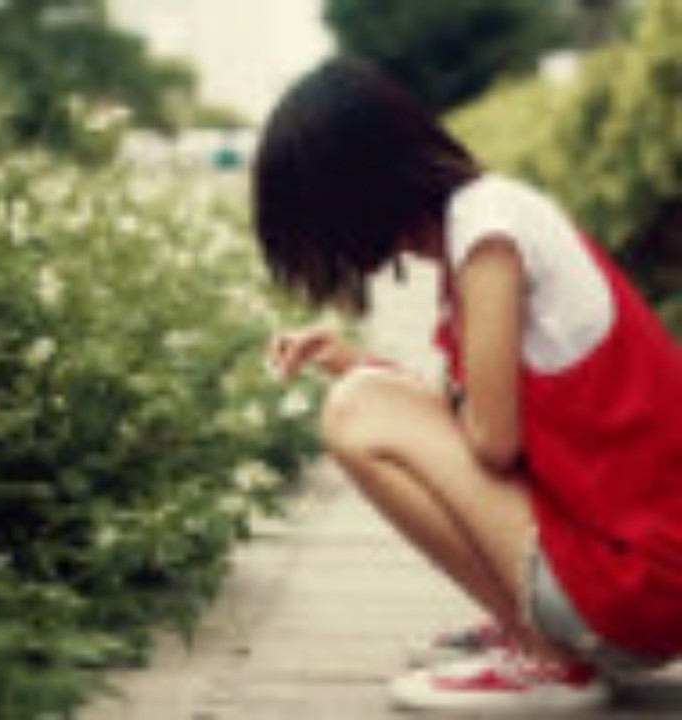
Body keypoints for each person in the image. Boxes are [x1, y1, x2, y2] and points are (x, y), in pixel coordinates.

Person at [251, 56, 682, 713]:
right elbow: (490, 420)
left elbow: (492, 445)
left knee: (355, 411)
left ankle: (546, 655)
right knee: (365, 394)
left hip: (635, 588)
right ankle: (538, 635)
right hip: (639, 582)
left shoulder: (488, 232)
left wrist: (373, 388)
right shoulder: (484, 221)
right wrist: (357, 361)